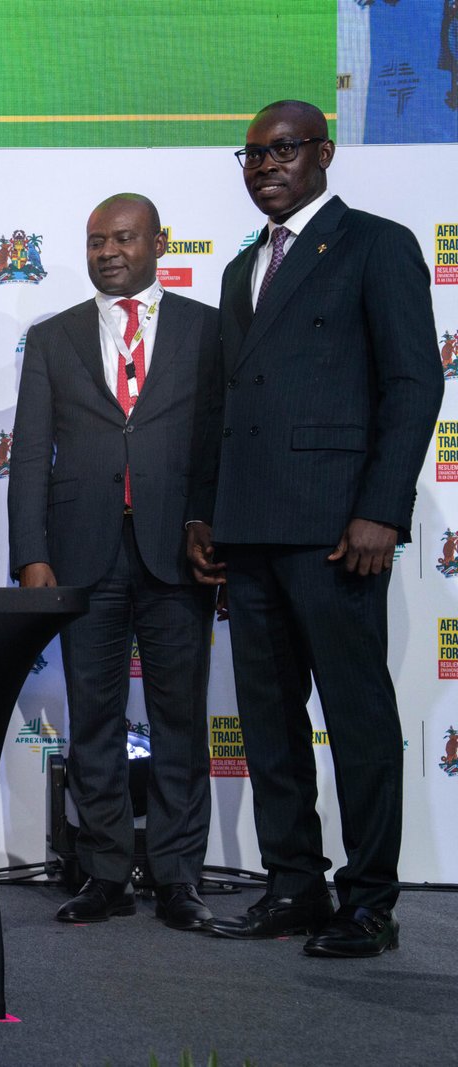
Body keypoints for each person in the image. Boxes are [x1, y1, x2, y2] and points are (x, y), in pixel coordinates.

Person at [187, 101, 442, 957]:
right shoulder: (235, 270)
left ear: (323, 153)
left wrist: (380, 508)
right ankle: (293, 883)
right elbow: (219, 405)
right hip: (249, 529)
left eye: (282, 150)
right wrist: (204, 511)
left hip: (337, 529)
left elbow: (414, 385)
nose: (265, 165)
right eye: (251, 154)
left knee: (359, 718)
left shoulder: (378, 243)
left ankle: (369, 899)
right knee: (269, 723)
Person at [7, 193, 222, 931]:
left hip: (180, 552)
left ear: (158, 243)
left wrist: (217, 526)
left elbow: (223, 444)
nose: (107, 252)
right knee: (92, 719)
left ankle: (177, 877)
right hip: (82, 553)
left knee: (180, 720)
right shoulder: (53, 336)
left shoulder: (208, 329)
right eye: (96, 240)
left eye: (123, 239)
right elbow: (30, 454)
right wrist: (32, 555)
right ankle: (102, 871)